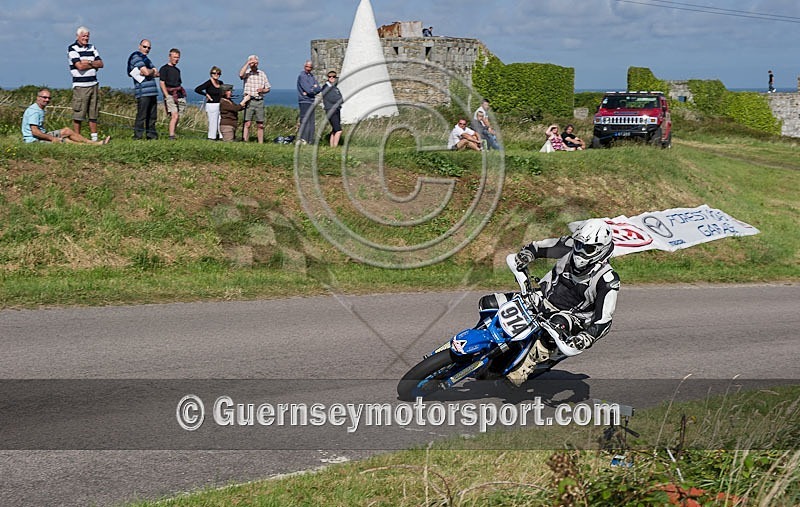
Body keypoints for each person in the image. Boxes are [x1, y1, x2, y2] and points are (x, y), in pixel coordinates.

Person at [481, 219, 619, 387]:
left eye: (588, 249)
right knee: (490, 302)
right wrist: (527, 254)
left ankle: (524, 368)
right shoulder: (568, 246)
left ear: (600, 250)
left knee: (556, 324)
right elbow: (539, 247)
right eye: (579, 244)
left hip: (572, 319)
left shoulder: (607, 280)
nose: (580, 251)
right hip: (542, 297)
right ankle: (479, 340)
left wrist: (587, 337)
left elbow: (604, 320)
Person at [21, 88, 109, 145]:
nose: (47, 100)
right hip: (33, 140)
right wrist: (53, 138)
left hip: (41, 135)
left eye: (49, 98)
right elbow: (35, 132)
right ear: (38, 97)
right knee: (64, 141)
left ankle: (93, 143)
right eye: (44, 97)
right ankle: (89, 146)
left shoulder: (39, 108)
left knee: (67, 130)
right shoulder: (34, 111)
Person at [68, 26, 103, 141]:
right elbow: (79, 66)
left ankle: (94, 138)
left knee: (93, 112)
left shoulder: (92, 47)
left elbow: (101, 63)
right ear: (77, 36)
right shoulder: (72, 48)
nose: (86, 38)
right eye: (83, 36)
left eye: (87, 36)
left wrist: (87, 62)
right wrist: (93, 63)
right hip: (80, 86)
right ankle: (77, 138)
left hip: (93, 84)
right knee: (79, 113)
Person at [128, 39, 160, 140]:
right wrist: (151, 71)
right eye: (144, 47)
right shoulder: (136, 57)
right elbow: (148, 72)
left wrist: (149, 71)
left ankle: (151, 136)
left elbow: (156, 73)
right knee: (142, 115)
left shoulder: (146, 59)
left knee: (152, 116)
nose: (147, 49)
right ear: (139, 46)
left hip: (152, 91)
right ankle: (138, 136)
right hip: (143, 92)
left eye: (149, 48)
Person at [239, 55, 271, 143]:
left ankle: (260, 143)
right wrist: (248, 63)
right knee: (247, 123)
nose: (254, 64)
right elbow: (241, 75)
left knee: (260, 124)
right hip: (249, 100)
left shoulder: (262, 74)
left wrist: (263, 90)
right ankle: (245, 141)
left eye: (256, 63)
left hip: (259, 100)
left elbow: (268, 88)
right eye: (252, 62)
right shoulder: (247, 73)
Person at [159, 48, 185, 140]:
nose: (176, 59)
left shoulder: (177, 70)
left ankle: (173, 132)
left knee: (178, 116)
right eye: (174, 57)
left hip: (178, 94)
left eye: (178, 57)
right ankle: (171, 136)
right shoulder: (164, 69)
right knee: (174, 115)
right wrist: (167, 96)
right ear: (169, 57)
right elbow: (162, 83)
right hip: (170, 94)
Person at [195, 66, 224, 140]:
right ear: (211, 74)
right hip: (211, 105)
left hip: (220, 104)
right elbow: (197, 89)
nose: (216, 75)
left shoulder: (221, 83)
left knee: (221, 121)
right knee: (213, 121)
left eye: (218, 73)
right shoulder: (208, 83)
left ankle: (221, 137)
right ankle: (211, 137)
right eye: (214, 73)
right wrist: (206, 94)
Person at [297, 60, 321, 144]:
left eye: (310, 67)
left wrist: (312, 89)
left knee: (311, 121)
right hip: (304, 101)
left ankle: (310, 140)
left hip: (311, 101)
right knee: (305, 120)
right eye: (307, 66)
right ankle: (303, 139)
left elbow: (319, 88)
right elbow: (308, 89)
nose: (308, 68)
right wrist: (313, 88)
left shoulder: (311, 76)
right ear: (304, 66)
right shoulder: (302, 76)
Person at [319, 70, 344, 147]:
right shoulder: (325, 87)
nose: (332, 78)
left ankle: (332, 146)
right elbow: (332, 98)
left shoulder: (335, 88)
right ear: (328, 77)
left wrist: (338, 100)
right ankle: (335, 147)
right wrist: (338, 100)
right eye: (330, 76)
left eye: (334, 76)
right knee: (339, 130)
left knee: (334, 130)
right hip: (331, 110)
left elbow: (341, 98)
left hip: (336, 109)